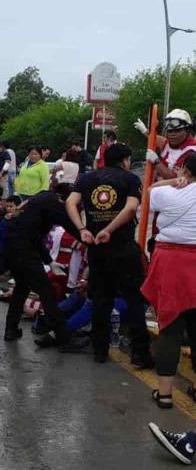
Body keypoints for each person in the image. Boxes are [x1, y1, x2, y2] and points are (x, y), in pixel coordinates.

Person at [65, 143, 153, 366]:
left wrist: (83, 229)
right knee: (134, 300)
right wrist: (110, 229)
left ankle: (100, 351)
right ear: (125, 161)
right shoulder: (130, 179)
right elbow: (131, 208)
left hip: (96, 249)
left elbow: (70, 202)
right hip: (122, 248)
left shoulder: (87, 179)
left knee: (100, 301)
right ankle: (140, 354)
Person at [3, 183, 90, 351]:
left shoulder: (38, 199)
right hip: (24, 251)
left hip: (12, 248)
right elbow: (72, 226)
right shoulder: (54, 204)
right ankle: (64, 338)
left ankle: (11, 329)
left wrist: (49, 261)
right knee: (46, 292)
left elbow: (34, 235)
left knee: (21, 288)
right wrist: (89, 237)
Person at [140, 154, 196, 409]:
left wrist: (174, 181)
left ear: (185, 169)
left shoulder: (172, 194)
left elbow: (149, 191)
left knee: (170, 328)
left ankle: (164, 394)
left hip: (171, 262)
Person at [135, 109, 196, 180]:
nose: (172, 134)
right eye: (169, 131)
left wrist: (156, 162)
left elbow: (174, 178)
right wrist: (146, 131)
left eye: (177, 131)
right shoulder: (169, 144)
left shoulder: (191, 151)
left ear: (187, 130)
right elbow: (158, 140)